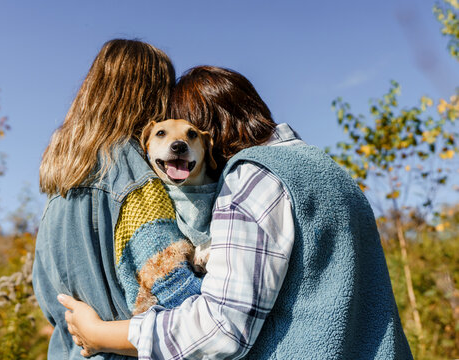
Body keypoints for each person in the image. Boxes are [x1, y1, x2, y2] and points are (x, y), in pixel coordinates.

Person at [59, 66, 413, 359]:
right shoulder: (329, 170)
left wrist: (101, 335)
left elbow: (221, 330)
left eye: (190, 130)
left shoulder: (253, 178)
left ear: (207, 132)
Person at [33, 39, 205, 360]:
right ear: (153, 98)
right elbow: (183, 312)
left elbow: (49, 303)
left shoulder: (59, 188)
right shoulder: (137, 181)